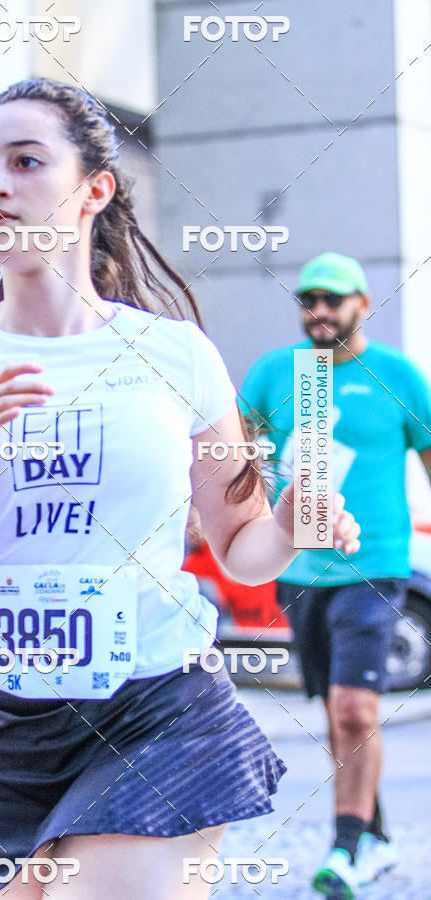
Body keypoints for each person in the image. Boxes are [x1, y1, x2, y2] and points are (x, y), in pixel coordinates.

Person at [0, 81, 360, 899]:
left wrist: (291, 521)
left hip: (156, 707)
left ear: (95, 189)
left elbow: (243, 551)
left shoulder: (175, 354)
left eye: (25, 161)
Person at [240, 252, 431, 897]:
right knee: (338, 712)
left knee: (354, 708)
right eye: (307, 299)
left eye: (333, 299)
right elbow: (237, 463)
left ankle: (345, 848)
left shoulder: (399, 377)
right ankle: (373, 835)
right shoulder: (277, 374)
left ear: (363, 302)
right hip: (299, 571)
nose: (318, 311)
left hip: (375, 565)